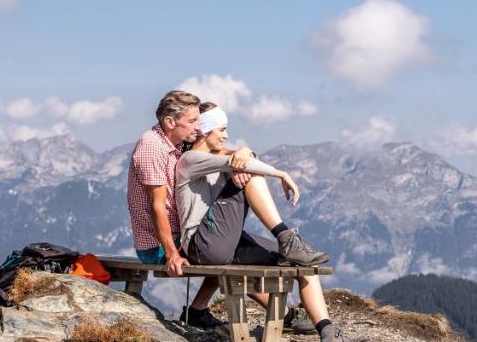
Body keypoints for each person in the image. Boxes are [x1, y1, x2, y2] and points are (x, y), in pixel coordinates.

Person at [175, 102, 374, 342]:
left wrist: (246, 151)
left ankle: (328, 335)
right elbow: (245, 163)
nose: (225, 135)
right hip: (203, 244)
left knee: (304, 262)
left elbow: (241, 156)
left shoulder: (216, 157)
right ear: (206, 130)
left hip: (223, 242)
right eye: (222, 129)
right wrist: (280, 173)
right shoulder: (190, 160)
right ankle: (285, 235)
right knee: (249, 174)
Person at [126, 89, 329, 322]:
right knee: (222, 250)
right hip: (159, 246)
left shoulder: (180, 142)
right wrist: (172, 254)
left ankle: (200, 310)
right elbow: (156, 207)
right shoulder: (152, 146)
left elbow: (224, 153)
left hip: (184, 235)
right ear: (170, 121)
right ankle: (285, 310)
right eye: (192, 121)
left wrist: (244, 152)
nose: (197, 127)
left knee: (225, 247)